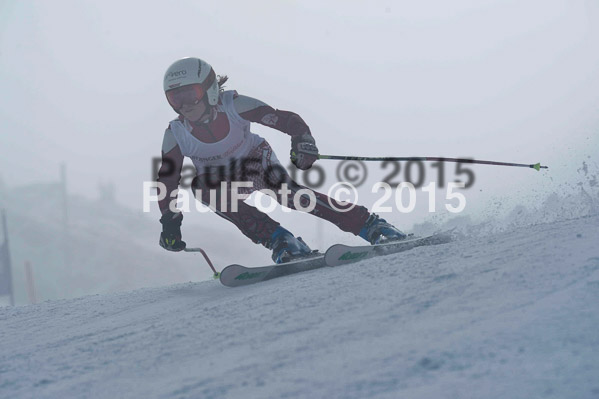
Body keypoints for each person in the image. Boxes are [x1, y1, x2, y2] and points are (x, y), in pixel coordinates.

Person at [157, 57, 406, 263]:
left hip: (255, 162)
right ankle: (281, 240)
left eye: (191, 94)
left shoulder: (235, 105)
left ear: (210, 89)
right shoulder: (176, 134)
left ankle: (371, 225)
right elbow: (167, 182)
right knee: (202, 188)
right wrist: (170, 221)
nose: (185, 105)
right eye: (176, 98)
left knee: (290, 196)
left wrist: (302, 140)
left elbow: (286, 119)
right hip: (225, 180)